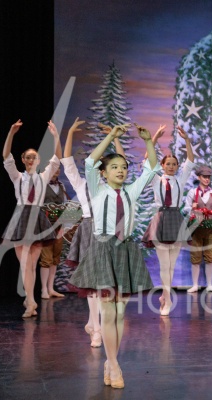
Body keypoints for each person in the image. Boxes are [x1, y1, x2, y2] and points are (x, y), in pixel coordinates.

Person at [68, 123, 159, 389]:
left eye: (124, 167)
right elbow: (89, 162)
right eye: (115, 167)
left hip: (125, 250)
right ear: (104, 173)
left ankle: (110, 362)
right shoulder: (97, 189)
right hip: (103, 249)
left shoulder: (130, 191)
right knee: (108, 314)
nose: (121, 171)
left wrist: (148, 142)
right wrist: (110, 136)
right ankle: (114, 365)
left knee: (119, 315)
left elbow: (151, 169)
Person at [61, 117, 126, 347]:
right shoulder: (81, 184)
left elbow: (122, 161)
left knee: (103, 282)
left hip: (107, 231)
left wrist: (116, 139)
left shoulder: (109, 186)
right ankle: (96, 328)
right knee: (92, 282)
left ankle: (92, 323)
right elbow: (67, 162)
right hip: (89, 230)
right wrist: (70, 133)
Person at [2, 119, 62, 318]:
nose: (30, 160)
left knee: (32, 264)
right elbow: (6, 157)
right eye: (27, 157)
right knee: (24, 264)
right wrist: (11, 133)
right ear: (23, 160)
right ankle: (30, 301)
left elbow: (57, 158)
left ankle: (30, 300)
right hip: (20, 218)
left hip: (36, 218)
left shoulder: (43, 176)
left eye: (34, 157)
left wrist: (55, 136)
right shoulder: (18, 177)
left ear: (38, 160)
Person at [142, 124, 195, 316]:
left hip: (176, 219)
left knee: (171, 265)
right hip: (161, 219)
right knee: (164, 265)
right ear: (162, 165)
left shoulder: (180, 180)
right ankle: (168, 298)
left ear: (177, 167)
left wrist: (187, 139)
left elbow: (191, 160)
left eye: (174, 164)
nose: (171, 166)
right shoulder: (156, 179)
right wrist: (154, 137)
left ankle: (165, 296)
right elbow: (147, 161)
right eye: (168, 164)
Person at [183, 164, 212, 293]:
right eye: (204, 177)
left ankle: (209, 284)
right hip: (196, 229)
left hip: (210, 229)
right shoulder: (193, 192)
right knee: (195, 256)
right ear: (199, 177)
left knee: (210, 256)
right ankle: (195, 285)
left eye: (208, 177)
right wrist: (193, 209)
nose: (207, 179)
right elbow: (186, 208)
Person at [38, 165, 69, 300]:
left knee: (56, 257)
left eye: (58, 168)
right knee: (46, 258)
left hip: (59, 226)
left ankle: (51, 288)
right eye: (53, 168)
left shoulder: (61, 186)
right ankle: (43, 290)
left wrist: (64, 226)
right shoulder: (42, 185)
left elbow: (65, 205)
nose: (57, 170)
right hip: (46, 225)